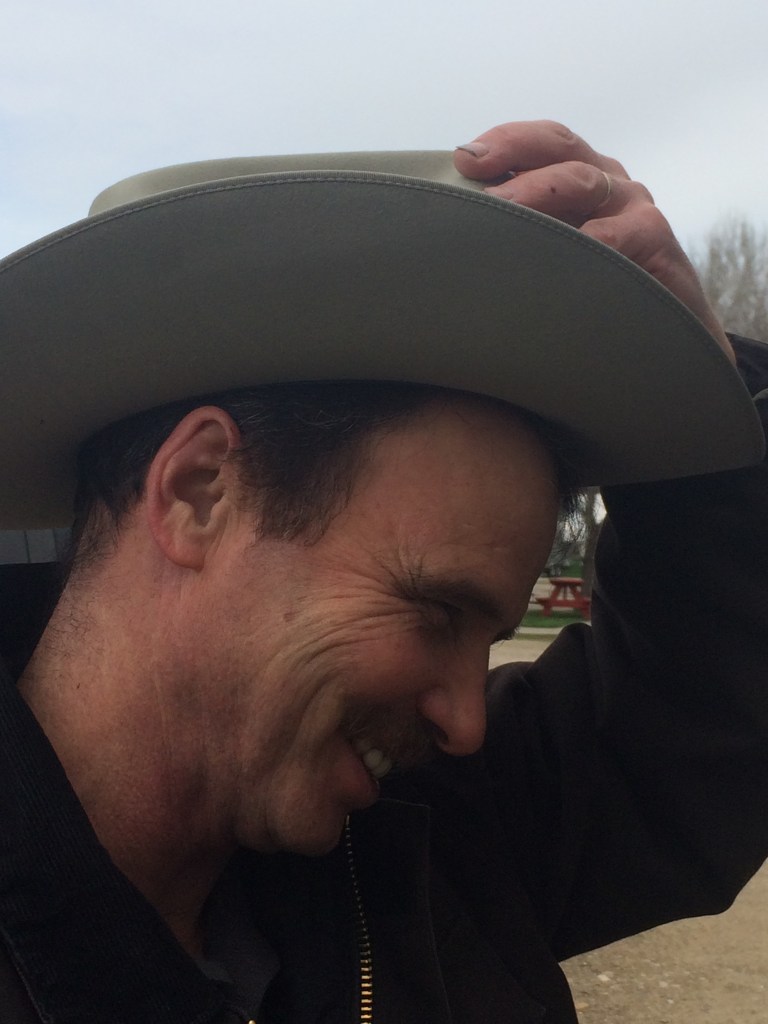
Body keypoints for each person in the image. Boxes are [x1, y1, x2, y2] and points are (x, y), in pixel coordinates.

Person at [0, 120, 766, 1024]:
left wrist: (713, 477)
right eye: (436, 611)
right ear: (198, 492)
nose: (468, 722)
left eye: (486, 638)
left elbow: (700, 722)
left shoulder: (416, 837)